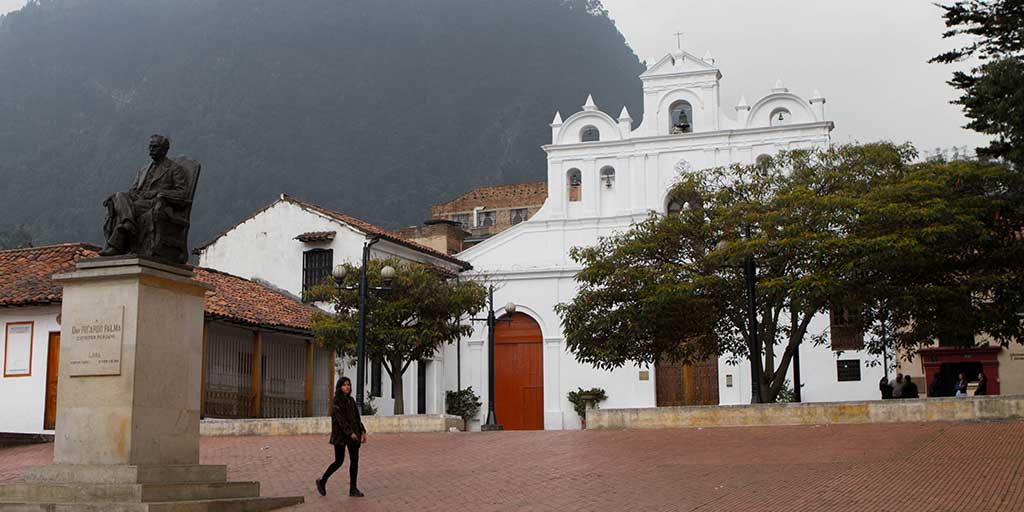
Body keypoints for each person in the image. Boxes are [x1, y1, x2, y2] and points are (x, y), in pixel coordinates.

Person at [100, 134, 189, 258]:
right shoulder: (143, 170)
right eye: (150, 147)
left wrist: (160, 193)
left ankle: (117, 243)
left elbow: (182, 194)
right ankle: (128, 223)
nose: (151, 150)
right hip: (137, 202)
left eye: (155, 147)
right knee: (118, 196)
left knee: (124, 207)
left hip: (155, 204)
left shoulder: (174, 169)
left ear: (164, 149)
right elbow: (133, 190)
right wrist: (120, 197)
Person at [316, 377, 367, 498]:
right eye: (344, 385)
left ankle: (353, 489)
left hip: (354, 436)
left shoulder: (351, 400)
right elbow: (341, 421)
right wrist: (350, 433)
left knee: (354, 461)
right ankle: (322, 481)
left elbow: (356, 418)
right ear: (340, 387)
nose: (347, 387)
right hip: (341, 436)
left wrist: (363, 431)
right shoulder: (336, 402)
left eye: (348, 385)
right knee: (339, 461)